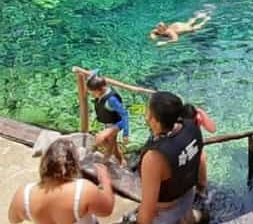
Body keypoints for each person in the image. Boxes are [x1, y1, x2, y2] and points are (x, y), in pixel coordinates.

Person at [7, 139, 115, 224]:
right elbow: (107, 210)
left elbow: (13, 220)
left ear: (44, 164)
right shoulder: (84, 191)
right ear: (73, 165)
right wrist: (105, 180)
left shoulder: (23, 196)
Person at [138, 91, 206, 224]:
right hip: (188, 196)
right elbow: (201, 158)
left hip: (166, 211)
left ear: (156, 122)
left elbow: (147, 210)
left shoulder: (154, 158)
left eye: (148, 113)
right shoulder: (193, 127)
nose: (146, 117)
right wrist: (202, 187)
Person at [86, 71, 129, 167]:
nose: (92, 95)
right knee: (112, 143)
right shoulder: (102, 92)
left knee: (102, 140)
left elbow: (125, 114)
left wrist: (126, 134)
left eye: (93, 92)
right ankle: (121, 160)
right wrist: (92, 75)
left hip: (117, 124)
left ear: (101, 89)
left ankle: (103, 163)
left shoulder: (112, 100)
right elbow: (96, 70)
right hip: (108, 124)